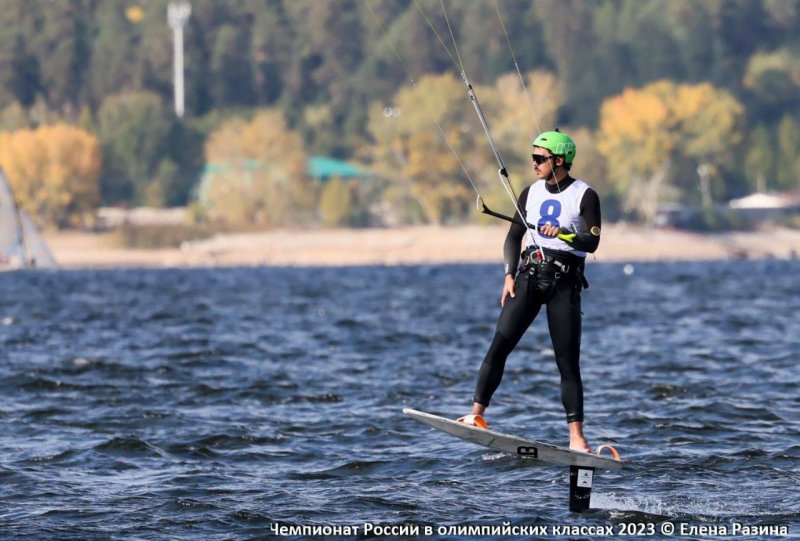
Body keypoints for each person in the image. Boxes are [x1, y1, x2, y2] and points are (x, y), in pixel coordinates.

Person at [457, 129, 602, 453]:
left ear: (559, 160)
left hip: (564, 283)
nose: (534, 163)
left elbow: (592, 241)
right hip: (528, 278)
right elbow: (512, 238)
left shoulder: (584, 195)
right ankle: (476, 415)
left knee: (567, 364)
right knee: (500, 343)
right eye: (533, 157)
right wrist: (509, 274)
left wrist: (565, 235)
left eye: (540, 158)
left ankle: (577, 439)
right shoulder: (529, 193)